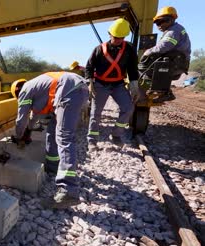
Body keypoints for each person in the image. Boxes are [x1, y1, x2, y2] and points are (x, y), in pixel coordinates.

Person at [11, 71, 89, 209]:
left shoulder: (24, 91)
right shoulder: (38, 87)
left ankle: (68, 190)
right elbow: (32, 118)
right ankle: (53, 167)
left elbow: (21, 119)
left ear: (16, 92)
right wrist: (28, 131)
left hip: (69, 90)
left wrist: (18, 136)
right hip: (79, 89)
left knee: (64, 138)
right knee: (52, 131)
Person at [85, 18, 140, 150]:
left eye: (121, 38)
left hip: (118, 85)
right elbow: (89, 67)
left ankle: (116, 135)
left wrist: (134, 85)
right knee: (95, 113)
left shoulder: (129, 49)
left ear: (125, 37)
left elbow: (133, 69)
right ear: (110, 34)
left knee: (128, 108)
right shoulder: (99, 49)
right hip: (100, 85)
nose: (118, 40)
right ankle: (92, 140)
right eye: (115, 37)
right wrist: (89, 82)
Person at [141, 6, 191, 103]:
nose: (159, 25)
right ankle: (165, 92)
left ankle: (157, 89)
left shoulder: (173, 31)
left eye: (162, 21)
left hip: (175, 62)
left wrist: (147, 52)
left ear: (171, 20)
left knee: (145, 65)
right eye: (157, 23)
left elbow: (163, 47)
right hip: (178, 61)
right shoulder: (176, 29)